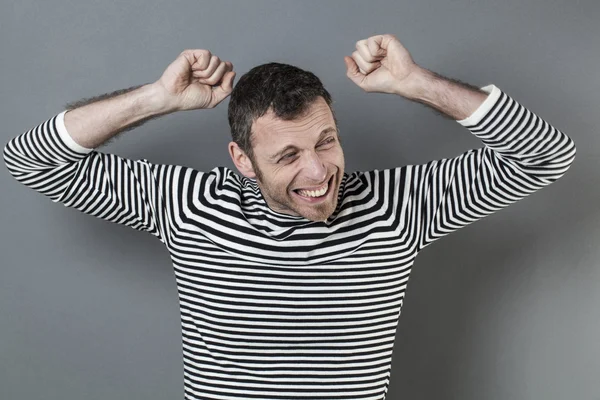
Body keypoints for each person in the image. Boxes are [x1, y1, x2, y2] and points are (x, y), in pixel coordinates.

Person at [3, 34, 576, 400]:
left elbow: (548, 155)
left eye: (326, 140)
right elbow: (29, 158)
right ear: (241, 161)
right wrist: (156, 98)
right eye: (287, 155)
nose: (319, 170)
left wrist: (417, 85)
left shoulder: (398, 206)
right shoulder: (189, 205)